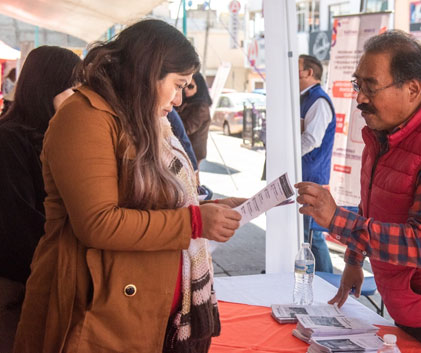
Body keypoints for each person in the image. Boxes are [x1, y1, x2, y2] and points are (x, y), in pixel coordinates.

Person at [13, 19, 244, 353]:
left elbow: (155, 200)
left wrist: (211, 208)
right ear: (148, 72)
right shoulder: (85, 116)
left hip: (142, 307)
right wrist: (194, 222)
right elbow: (98, 223)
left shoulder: (141, 120)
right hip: (94, 310)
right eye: (177, 85)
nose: (179, 100)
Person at [295, 30, 421, 353]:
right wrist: (353, 260)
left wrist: (335, 219)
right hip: (410, 303)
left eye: (370, 87)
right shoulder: (386, 132)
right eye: (357, 84)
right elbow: (373, 204)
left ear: (413, 89)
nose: (359, 97)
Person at [0, 46, 80, 353]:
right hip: (18, 283)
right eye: (74, 88)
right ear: (48, 87)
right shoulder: (9, 139)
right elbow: (19, 222)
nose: (80, 98)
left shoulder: (56, 134)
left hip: (47, 276)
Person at [298, 54, 336, 273]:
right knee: (303, 233)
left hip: (311, 176)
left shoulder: (318, 100)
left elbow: (312, 139)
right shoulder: (303, 98)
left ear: (308, 72)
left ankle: (328, 280)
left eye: (296, 67)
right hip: (302, 174)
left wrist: (289, 156)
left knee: (311, 234)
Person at [177, 72, 212, 166]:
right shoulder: (187, 101)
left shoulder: (201, 107)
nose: (186, 89)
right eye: (184, 86)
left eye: (191, 86)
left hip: (193, 151)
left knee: (190, 179)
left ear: (199, 87)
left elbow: (187, 128)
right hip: (185, 149)